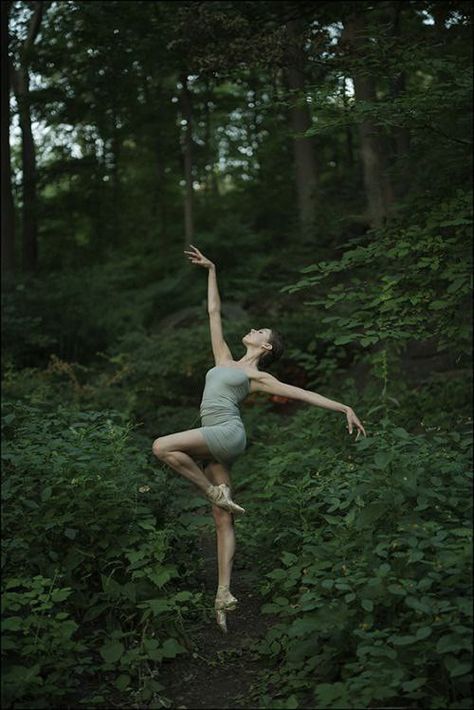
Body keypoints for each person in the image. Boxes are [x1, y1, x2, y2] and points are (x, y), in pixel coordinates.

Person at [152, 244, 367, 632]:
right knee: (222, 518)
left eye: (259, 331)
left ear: (265, 346)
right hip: (219, 443)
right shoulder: (223, 359)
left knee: (161, 446)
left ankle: (213, 492)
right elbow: (213, 312)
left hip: (226, 433)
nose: (251, 330)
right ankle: (223, 595)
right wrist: (212, 269)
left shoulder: (257, 376)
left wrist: (343, 407)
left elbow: (304, 395)